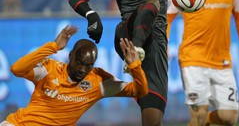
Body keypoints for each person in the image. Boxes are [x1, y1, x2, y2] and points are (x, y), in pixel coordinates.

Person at [68, 0, 235, 126]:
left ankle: (138, 58)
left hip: (155, 48)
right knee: (153, 2)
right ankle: (135, 54)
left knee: (153, 120)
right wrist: (92, 15)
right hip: (127, 38)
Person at [1, 25, 148, 126]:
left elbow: (140, 91)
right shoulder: (49, 69)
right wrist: (53, 47)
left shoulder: (99, 82)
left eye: (88, 65)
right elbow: (17, 69)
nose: (83, 69)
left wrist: (135, 66)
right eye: (80, 62)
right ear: (71, 55)